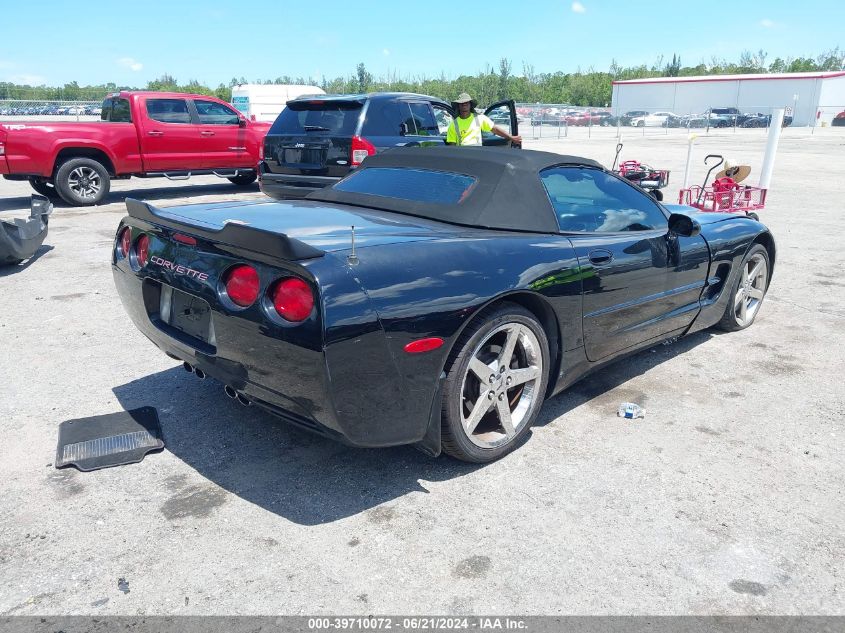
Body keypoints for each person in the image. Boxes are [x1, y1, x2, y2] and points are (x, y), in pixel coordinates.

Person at [446, 93, 522, 147]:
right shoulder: (454, 124)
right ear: (458, 106)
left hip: (478, 155)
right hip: (463, 156)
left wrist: (510, 137)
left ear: (470, 105)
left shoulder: (480, 118)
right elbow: (452, 146)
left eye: (466, 103)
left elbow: (495, 129)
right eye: (462, 103)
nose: (464, 105)